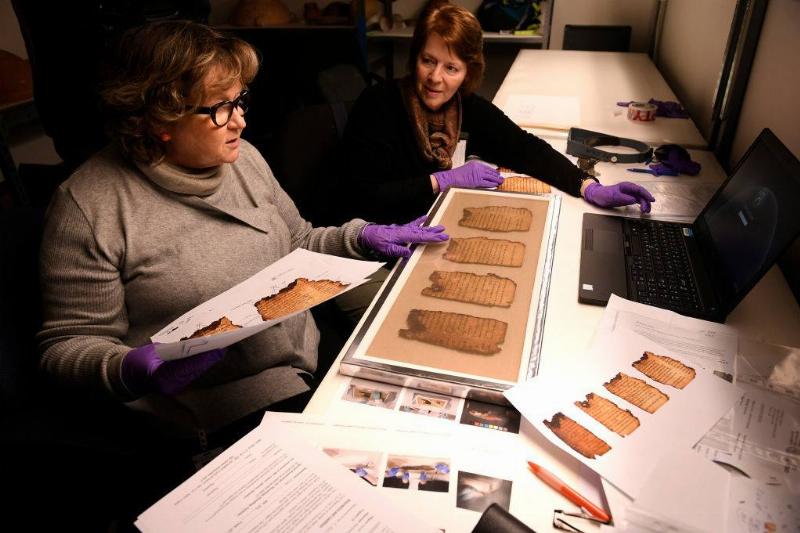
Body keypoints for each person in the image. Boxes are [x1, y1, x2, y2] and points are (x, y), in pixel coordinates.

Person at [36, 21, 448, 454]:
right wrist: (127, 370)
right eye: (220, 108)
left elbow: (296, 242)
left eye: (240, 101)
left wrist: (361, 237)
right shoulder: (89, 206)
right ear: (160, 118)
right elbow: (65, 346)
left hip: (302, 364)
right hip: (204, 418)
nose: (241, 121)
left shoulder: (243, 159)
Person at [340, 0, 654, 224]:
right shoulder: (379, 104)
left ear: (468, 71)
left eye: (451, 67)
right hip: (375, 235)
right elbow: (363, 196)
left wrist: (588, 186)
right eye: (428, 61)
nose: (436, 78)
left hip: (431, 225)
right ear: (414, 58)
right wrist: (441, 180)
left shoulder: (467, 109)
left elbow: (525, 148)